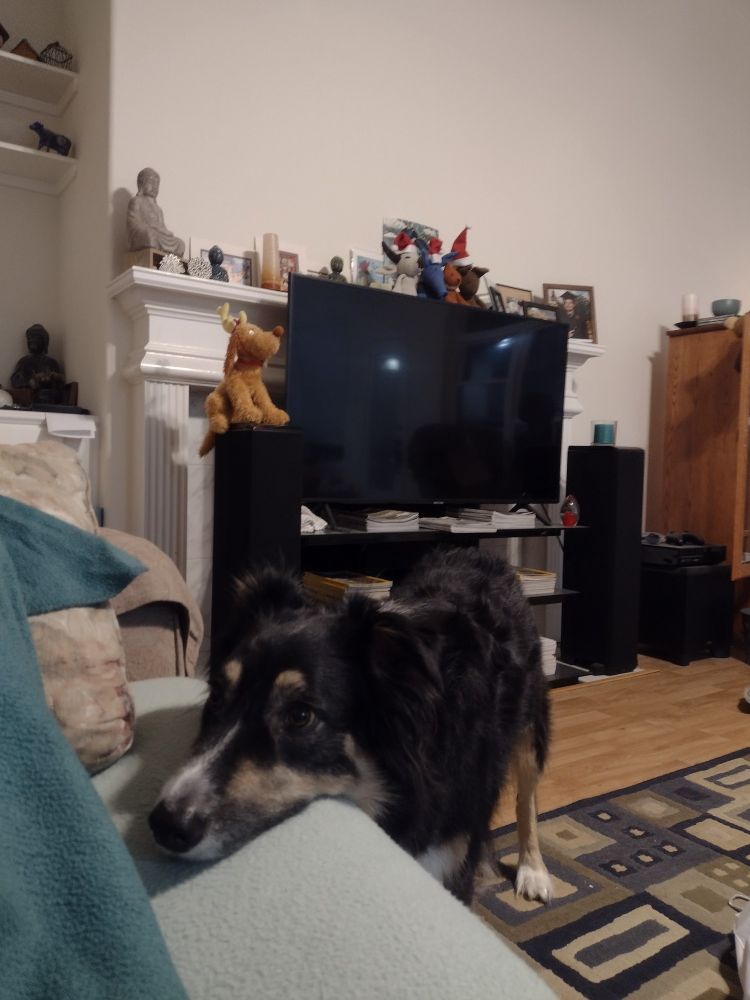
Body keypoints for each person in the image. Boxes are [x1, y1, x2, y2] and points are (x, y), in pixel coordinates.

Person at [126, 167, 185, 257]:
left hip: (160, 236)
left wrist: (166, 232)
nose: (154, 186)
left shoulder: (158, 209)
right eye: (151, 182)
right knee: (150, 236)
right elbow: (133, 224)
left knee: (180, 244)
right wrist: (153, 228)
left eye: (157, 184)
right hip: (146, 234)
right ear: (141, 183)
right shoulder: (136, 201)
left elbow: (162, 228)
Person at [10, 324, 63, 389]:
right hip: (29, 394)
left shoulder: (51, 362)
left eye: (36, 337)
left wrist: (53, 378)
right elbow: (15, 381)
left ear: (44, 341)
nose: (31, 340)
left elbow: (59, 385)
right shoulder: (23, 361)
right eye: (29, 338)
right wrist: (32, 380)